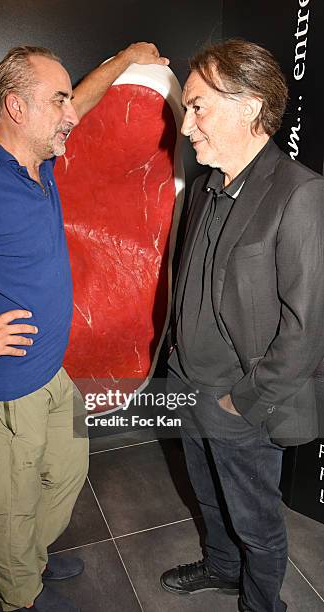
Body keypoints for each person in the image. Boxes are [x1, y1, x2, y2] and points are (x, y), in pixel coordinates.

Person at [0, 43, 168, 612]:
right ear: (16, 108)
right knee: (14, 503)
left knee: (70, 468)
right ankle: (20, 596)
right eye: (56, 101)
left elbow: (85, 95)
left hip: (48, 372)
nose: (71, 113)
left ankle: (30, 556)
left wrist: (127, 57)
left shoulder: (36, 160)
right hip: (1, 392)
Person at [161, 39, 324, 612]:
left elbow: (308, 331)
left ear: (251, 107)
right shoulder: (209, 182)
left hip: (239, 402)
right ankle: (223, 569)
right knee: (208, 498)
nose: (186, 126)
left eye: (199, 106)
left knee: (256, 522)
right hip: (187, 384)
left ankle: (262, 604)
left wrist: (244, 400)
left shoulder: (300, 193)